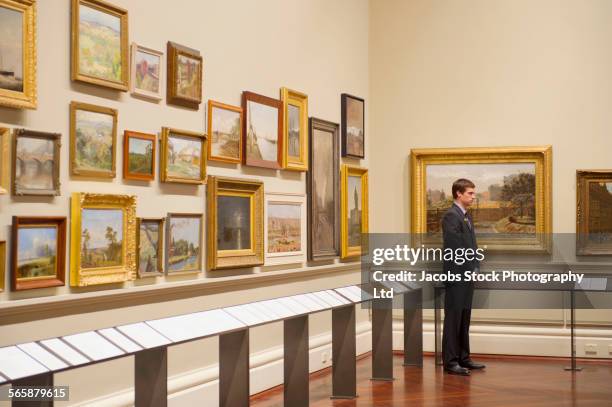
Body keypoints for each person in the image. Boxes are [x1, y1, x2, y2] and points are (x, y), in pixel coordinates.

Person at [441, 178, 486, 375]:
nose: (473, 197)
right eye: (470, 193)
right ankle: (451, 362)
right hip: (457, 275)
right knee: (454, 319)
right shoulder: (451, 216)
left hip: (467, 275)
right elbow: (455, 248)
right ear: (458, 194)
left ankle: (463, 358)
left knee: (464, 317)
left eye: (474, 193)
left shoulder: (466, 216)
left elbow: (472, 245)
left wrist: (475, 267)